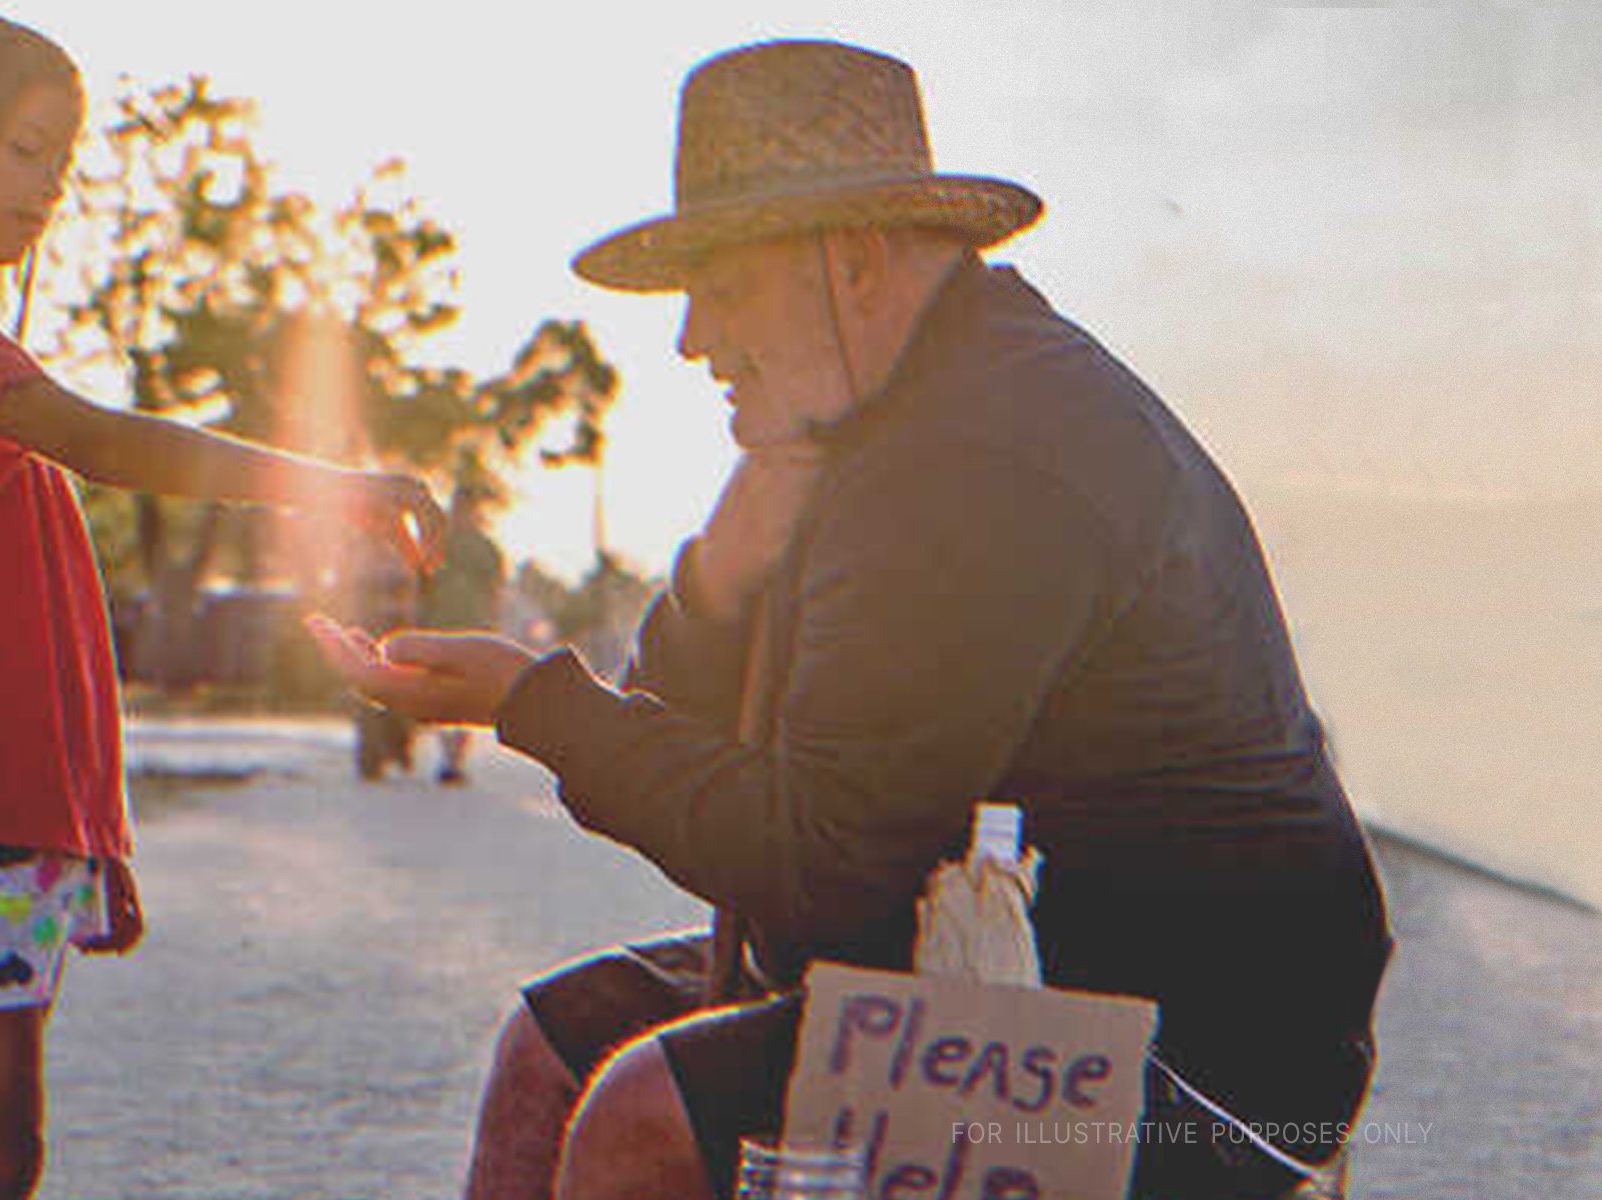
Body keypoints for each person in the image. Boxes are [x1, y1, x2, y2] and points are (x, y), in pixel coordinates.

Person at [312, 40, 1391, 1200]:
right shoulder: (872, 423)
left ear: (857, 262)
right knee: (551, 1054)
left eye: (722, 287)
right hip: (973, 953)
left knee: (644, 1118)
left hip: (1200, 1054)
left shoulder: (980, 458)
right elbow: (673, 716)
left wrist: (530, 702)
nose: (692, 339)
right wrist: (734, 547)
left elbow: (813, 861)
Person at [0, 13, 443, 1200]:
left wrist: (89, 823)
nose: (49, 188)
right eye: (23, 150)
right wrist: (333, 487)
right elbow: (108, 442)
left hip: (4, 793)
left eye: (61, 162)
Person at [416, 483, 507, 784]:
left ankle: (454, 761)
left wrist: (494, 625)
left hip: (474, 627)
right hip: (440, 626)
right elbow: (422, 584)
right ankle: (449, 759)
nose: (462, 513)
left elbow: (495, 590)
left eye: (466, 507)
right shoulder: (437, 542)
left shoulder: (486, 548)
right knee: (443, 696)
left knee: (465, 696)